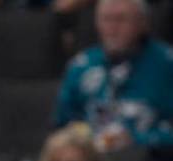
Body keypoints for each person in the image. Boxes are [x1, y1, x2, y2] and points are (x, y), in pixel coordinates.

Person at [54, 0, 173, 151]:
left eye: (121, 19)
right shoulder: (81, 66)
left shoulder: (168, 64)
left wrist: (137, 140)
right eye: (106, 19)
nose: (113, 27)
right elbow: (62, 127)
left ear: (143, 23)